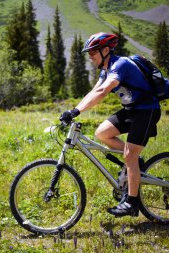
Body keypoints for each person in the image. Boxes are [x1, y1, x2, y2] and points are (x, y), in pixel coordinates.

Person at [59, 32, 161, 217]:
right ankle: (134, 163)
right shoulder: (105, 69)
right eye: (89, 54)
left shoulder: (119, 65)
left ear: (106, 50)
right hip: (132, 110)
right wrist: (73, 110)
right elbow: (94, 91)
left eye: (93, 53)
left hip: (147, 110)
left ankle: (132, 202)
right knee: (102, 133)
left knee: (129, 155)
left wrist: (76, 112)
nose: (91, 57)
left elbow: (104, 91)